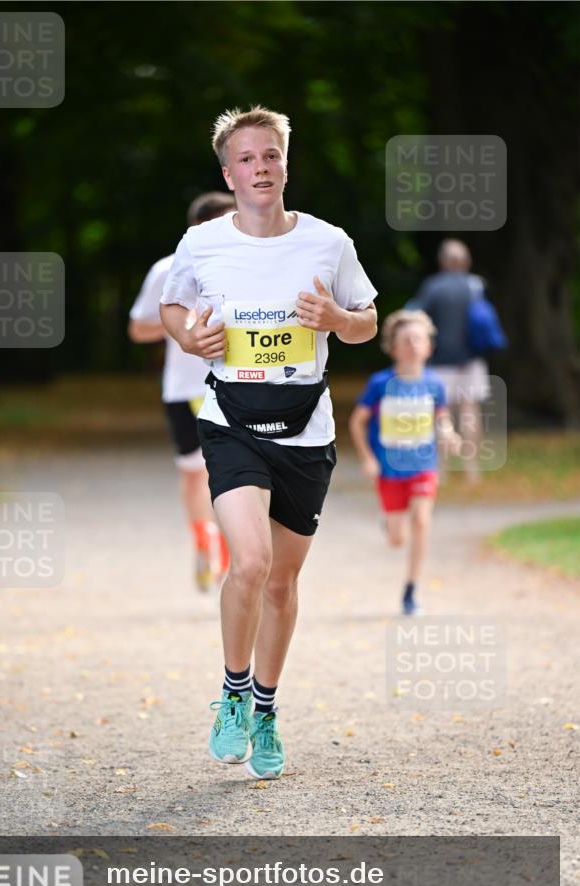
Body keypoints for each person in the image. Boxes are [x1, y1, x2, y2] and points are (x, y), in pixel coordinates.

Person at [160, 105, 377, 779]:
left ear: (286, 164)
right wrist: (188, 337)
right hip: (230, 420)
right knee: (249, 562)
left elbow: (367, 321)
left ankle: (265, 709)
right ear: (229, 173)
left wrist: (338, 318)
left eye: (270, 156)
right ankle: (230, 692)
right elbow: (172, 307)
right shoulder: (202, 244)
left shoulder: (327, 243)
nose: (260, 168)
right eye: (247, 159)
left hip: (306, 431)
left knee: (282, 584)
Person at [128, 192, 234, 591]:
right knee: (194, 475)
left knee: (231, 472)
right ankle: (202, 541)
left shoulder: (246, 266)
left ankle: (227, 551)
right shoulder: (167, 269)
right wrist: (181, 323)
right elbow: (138, 329)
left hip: (232, 385)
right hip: (184, 389)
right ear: (198, 228)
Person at [349, 309, 461, 616]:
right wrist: (367, 458)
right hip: (388, 470)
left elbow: (441, 417)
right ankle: (389, 522)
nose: (413, 345)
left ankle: (411, 590)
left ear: (429, 347)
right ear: (393, 347)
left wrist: (449, 434)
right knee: (398, 539)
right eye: (406, 340)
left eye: (418, 339)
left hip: (424, 465)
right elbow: (357, 423)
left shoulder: (434, 384)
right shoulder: (380, 384)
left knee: (422, 521)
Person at [410, 239, 489, 483]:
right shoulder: (476, 285)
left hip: (440, 363)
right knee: (470, 412)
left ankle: (440, 470)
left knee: (441, 414)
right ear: (466, 261)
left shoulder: (433, 287)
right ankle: (472, 469)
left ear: (443, 261)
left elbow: (413, 314)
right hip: (471, 360)